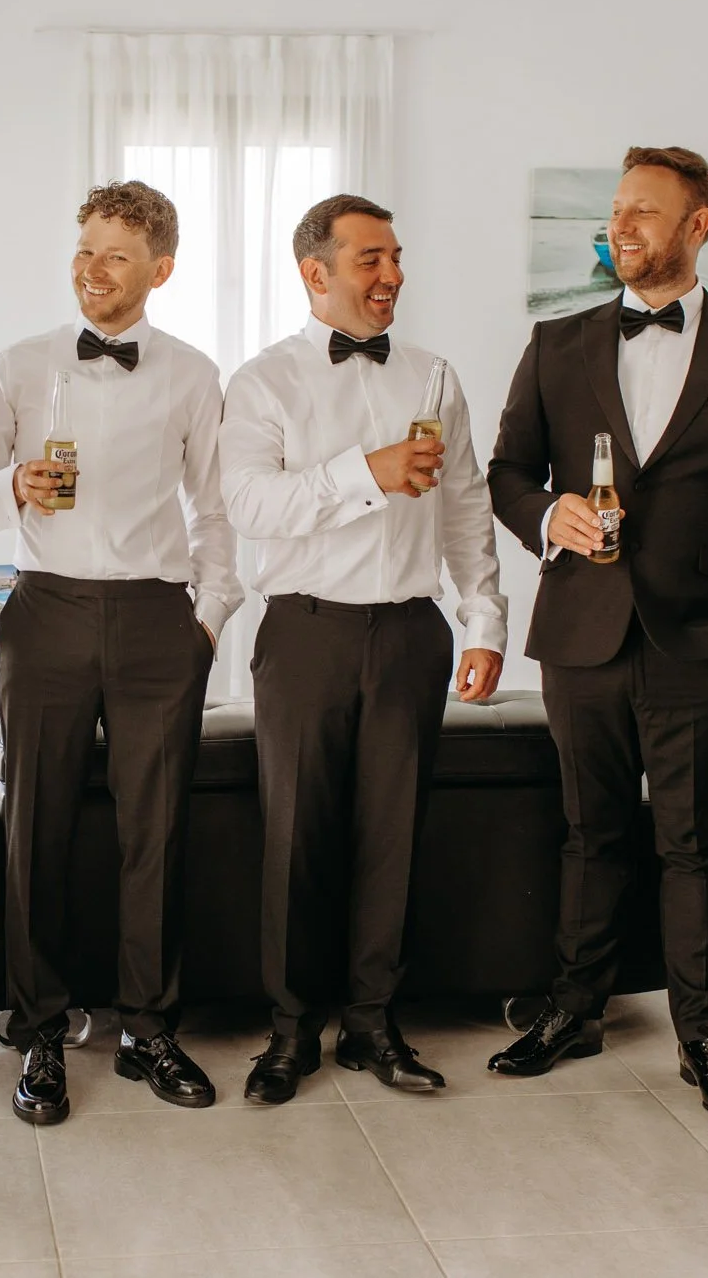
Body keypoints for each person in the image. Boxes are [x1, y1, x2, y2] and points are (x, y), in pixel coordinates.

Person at [485, 147, 708, 1122]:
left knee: (689, 839)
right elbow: (505, 470)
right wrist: (549, 517)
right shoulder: (555, 346)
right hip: (579, 630)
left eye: (644, 211)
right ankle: (572, 1009)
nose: (621, 226)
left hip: (704, 641)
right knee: (588, 833)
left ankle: (700, 1030)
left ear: (698, 225)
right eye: (615, 210)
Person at [0, 180, 241, 1124]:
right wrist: (11, 487)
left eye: (116, 253)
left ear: (161, 268)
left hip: (159, 620)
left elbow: (218, 509)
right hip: (48, 610)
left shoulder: (194, 373)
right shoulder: (20, 364)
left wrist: (207, 619)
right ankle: (38, 1030)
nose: (92, 269)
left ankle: (150, 1028)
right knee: (37, 824)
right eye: (83, 249)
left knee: (157, 831)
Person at [220, 194, 507, 1105]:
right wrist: (365, 474)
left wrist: (485, 619)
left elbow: (465, 504)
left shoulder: (433, 376)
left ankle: (376, 1024)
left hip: (412, 630)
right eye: (371, 260)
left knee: (396, 838)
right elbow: (250, 507)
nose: (392, 277)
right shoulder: (264, 382)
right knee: (297, 839)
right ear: (318, 273)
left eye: (396, 258)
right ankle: (292, 1030)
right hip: (304, 629)